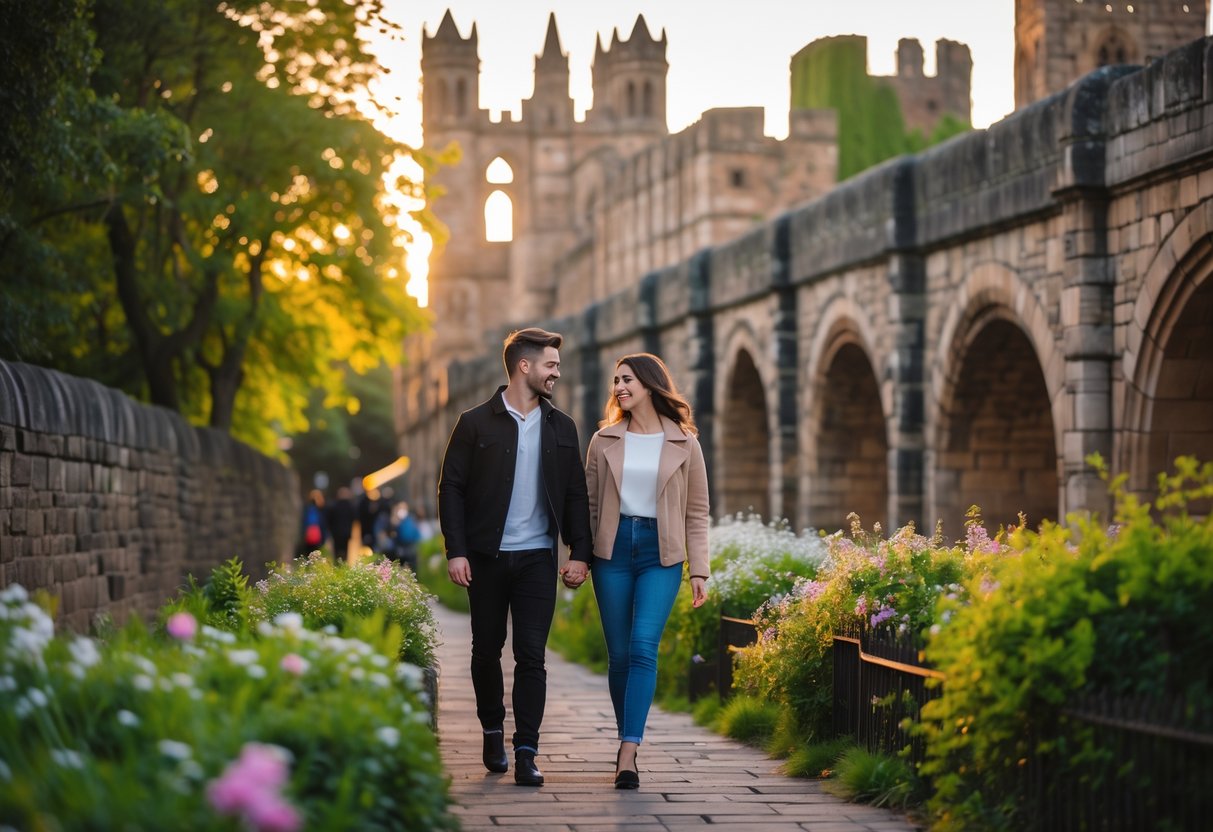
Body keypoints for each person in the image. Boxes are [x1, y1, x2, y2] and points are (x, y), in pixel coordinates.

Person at [438, 327, 593, 787]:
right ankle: (491, 729)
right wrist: (456, 550)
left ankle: (526, 751)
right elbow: (451, 488)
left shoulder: (562, 426)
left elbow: (575, 495)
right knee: (486, 651)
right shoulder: (474, 422)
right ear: (524, 366)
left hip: (536, 560)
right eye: (550, 365)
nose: (556, 374)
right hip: (485, 558)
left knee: (532, 656)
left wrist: (579, 553)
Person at [584, 353, 710, 790]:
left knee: (642, 648)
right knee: (619, 656)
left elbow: (697, 512)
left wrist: (700, 570)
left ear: (651, 385)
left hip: (662, 553)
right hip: (612, 553)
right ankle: (628, 739)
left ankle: (627, 751)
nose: (619, 387)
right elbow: (590, 507)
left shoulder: (684, 443)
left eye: (628, 379)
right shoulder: (603, 440)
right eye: (616, 380)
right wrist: (579, 557)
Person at [326, 486, 357, 565]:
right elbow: (354, 519)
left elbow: (329, 520)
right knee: (345, 551)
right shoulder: (351, 506)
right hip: (346, 533)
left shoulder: (334, 506)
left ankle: (337, 565)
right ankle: (344, 565)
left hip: (336, 533)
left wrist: (331, 530)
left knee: (336, 552)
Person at [390, 500, 422, 573]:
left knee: (413, 570)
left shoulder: (411, 518)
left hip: (411, 548)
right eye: (400, 508)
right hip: (400, 549)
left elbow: (416, 533)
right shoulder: (395, 520)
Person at [298, 490, 329, 556]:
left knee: (309, 555)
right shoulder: (322, 508)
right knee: (317, 555)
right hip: (318, 536)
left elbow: (305, 522)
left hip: (309, 535)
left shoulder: (308, 507)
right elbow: (324, 524)